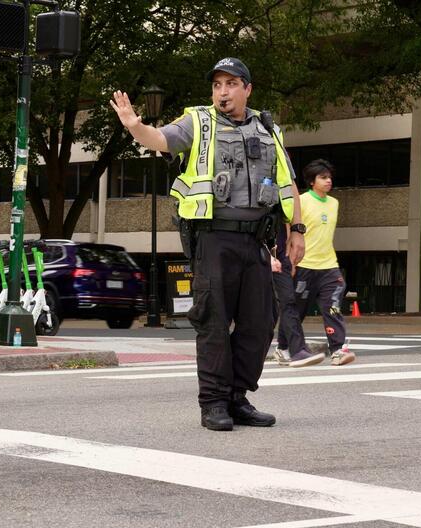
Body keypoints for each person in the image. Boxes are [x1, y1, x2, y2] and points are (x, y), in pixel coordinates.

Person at [110, 57, 306, 431]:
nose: (223, 92)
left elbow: (288, 182)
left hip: (256, 243)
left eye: (231, 84)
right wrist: (136, 127)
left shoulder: (269, 128)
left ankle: (237, 397)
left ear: (247, 89)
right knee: (214, 321)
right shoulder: (198, 121)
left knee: (260, 323)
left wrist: (296, 230)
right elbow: (161, 138)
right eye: (217, 85)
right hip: (213, 239)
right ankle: (214, 402)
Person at [280, 159, 355, 365]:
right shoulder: (301, 201)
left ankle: (338, 349)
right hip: (303, 265)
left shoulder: (334, 203)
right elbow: (289, 228)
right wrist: (290, 261)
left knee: (333, 308)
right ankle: (283, 347)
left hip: (329, 266)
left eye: (330, 177)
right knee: (296, 310)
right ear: (312, 181)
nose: (328, 181)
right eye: (323, 177)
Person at [271, 215, 325, 367]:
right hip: (252, 250)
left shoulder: (284, 194)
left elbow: (286, 217)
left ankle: (298, 350)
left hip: (280, 254)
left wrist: (295, 235)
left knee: (289, 301)